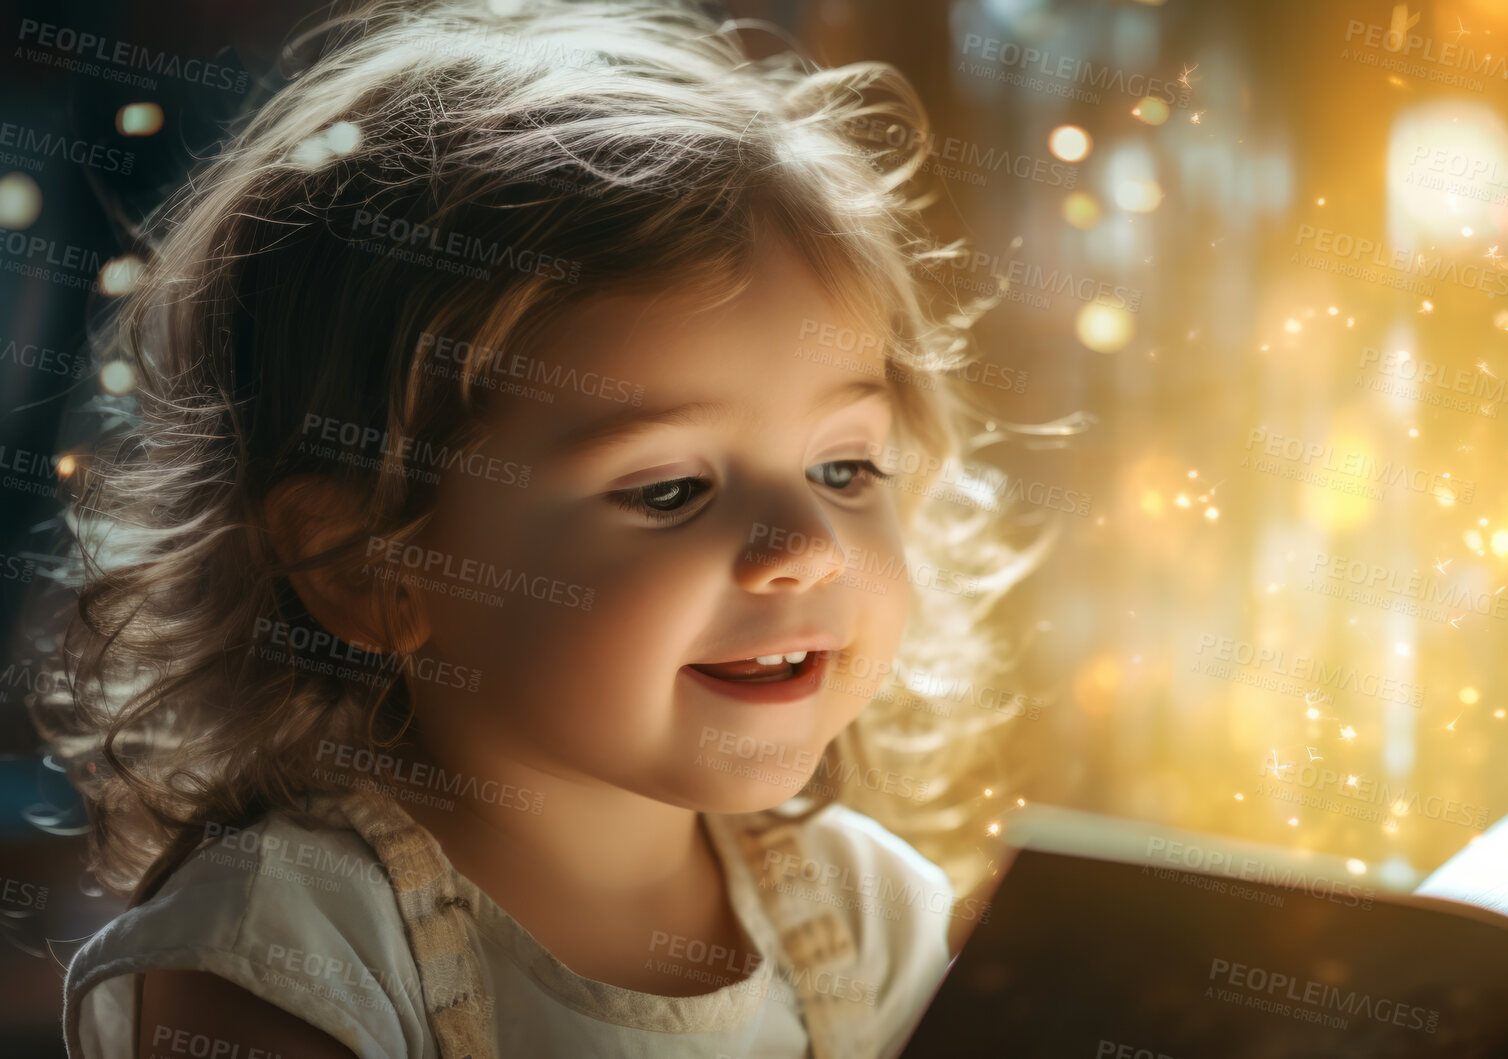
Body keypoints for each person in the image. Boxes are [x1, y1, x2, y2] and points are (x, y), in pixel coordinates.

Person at [45, 1, 1043, 1055]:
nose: (805, 546)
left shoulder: (873, 914)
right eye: (668, 491)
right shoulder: (289, 950)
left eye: (843, 468)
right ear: (369, 565)